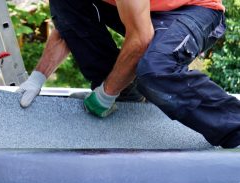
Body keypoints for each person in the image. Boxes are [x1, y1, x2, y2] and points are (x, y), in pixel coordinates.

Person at [17, 0, 240, 148]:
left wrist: (105, 94)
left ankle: (235, 126)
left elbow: (141, 38)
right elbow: (69, 24)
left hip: (192, 11)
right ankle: (126, 95)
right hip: (142, 11)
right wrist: (38, 76)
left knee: (155, 70)